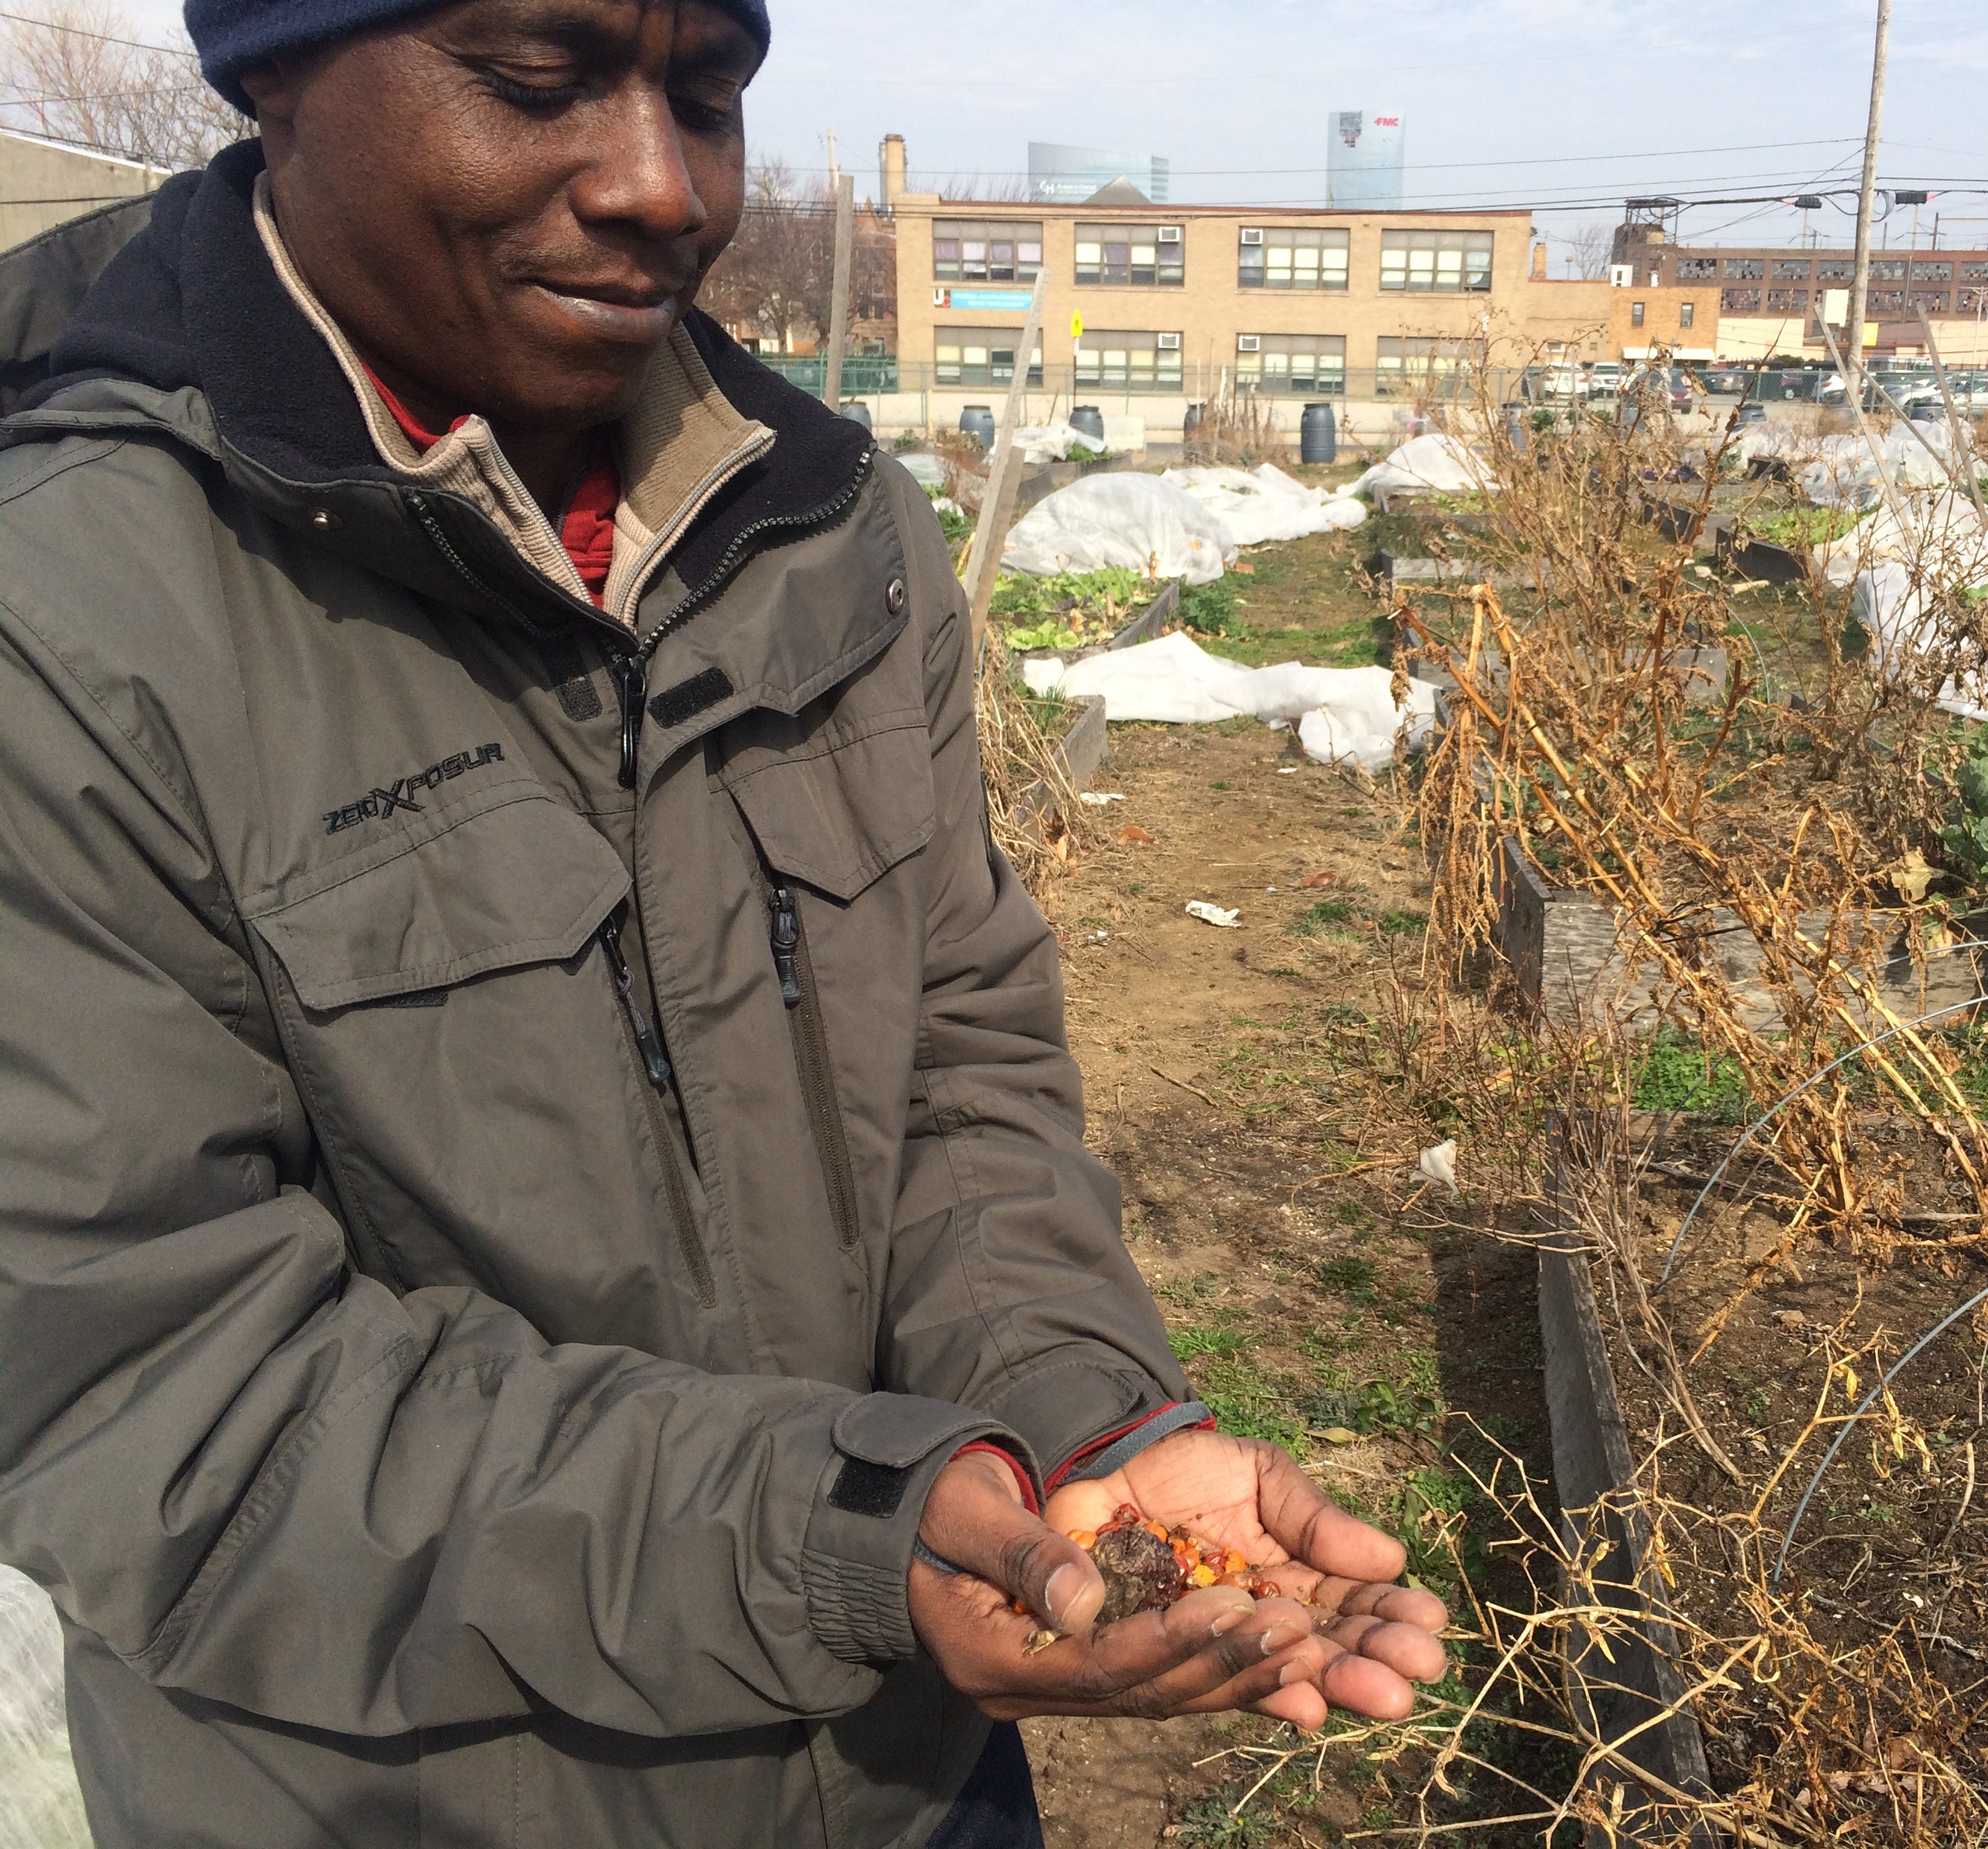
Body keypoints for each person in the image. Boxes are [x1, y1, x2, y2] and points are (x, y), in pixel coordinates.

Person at [0, 2, 1448, 1844]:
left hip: (902, 1778)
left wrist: (1079, 1431)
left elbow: (956, 1076)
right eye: (536, 83)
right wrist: (837, 1533)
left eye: (709, 94)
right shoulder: (65, 619)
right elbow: (151, 1386)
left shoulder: (829, 531)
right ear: (270, 69)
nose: (658, 186)